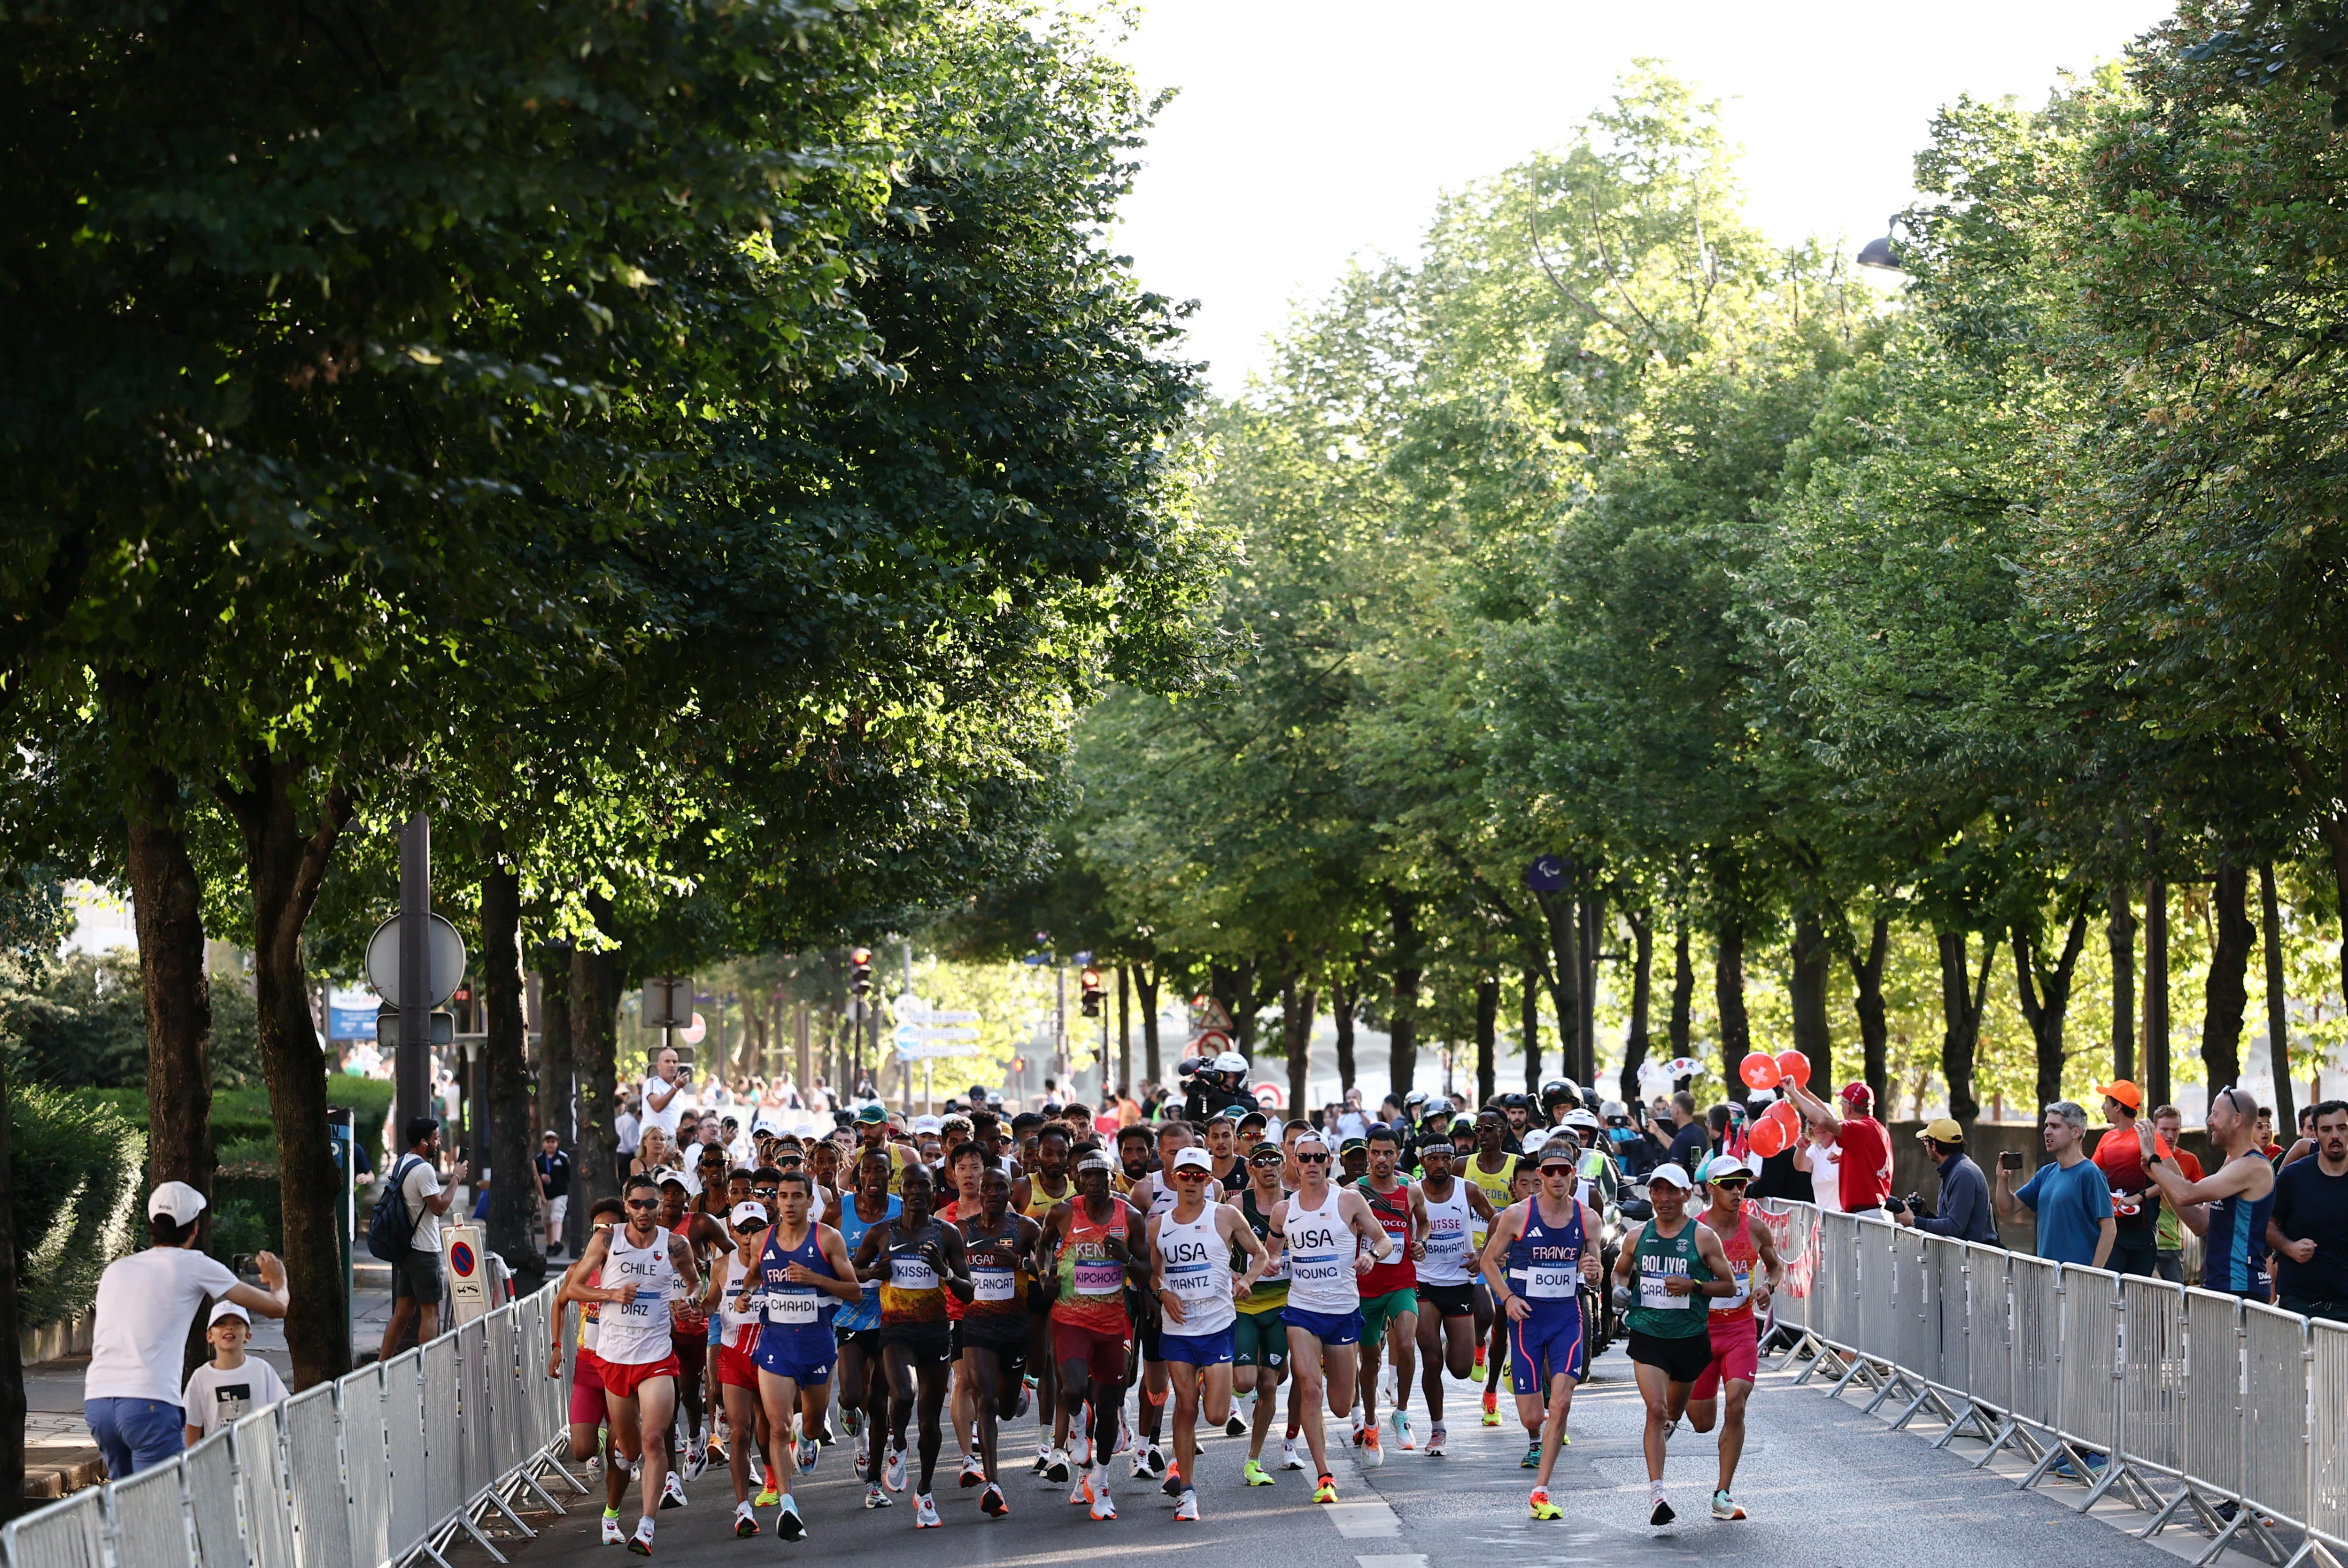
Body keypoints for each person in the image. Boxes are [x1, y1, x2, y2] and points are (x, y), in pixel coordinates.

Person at [83, 1182, 287, 1479]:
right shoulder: (194, 1264)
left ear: (152, 1224)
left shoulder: (117, 1269)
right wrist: (277, 1280)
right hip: (149, 1402)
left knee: (125, 1507)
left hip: (99, 1401)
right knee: (163, 1506)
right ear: (195, 1229)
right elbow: (276, 1307)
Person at [575, 1174, 702, 1556]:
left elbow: (695, 1282)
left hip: (656, 1358)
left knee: (653, 1439)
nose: (644, 1211)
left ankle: (646, 1526)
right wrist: (611, 1293)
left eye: (651, 1204)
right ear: (626, 1204)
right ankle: (622, 1456)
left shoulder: (675, 1244)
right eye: (637, 1204)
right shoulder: (607, 1240)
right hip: (613, 1358)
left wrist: (689, 1301)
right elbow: (574, 1288)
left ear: (660, 1206)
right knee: (628, 1448)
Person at [1271, 1130, 1396, 1506]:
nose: (1311, 1163)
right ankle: (1324, 1474)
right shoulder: (1284, 1210)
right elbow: (1270, 1254)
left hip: (1342, 1311)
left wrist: (1372, 1255)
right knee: (1309, 1386)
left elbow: (1384, 1240)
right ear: (1294, 1161)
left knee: (1341, 1405)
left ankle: (1347, 1385)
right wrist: (1268, 1265)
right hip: (1302, 1310)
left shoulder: (1349, 1200)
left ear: (1330, 1160)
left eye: (1318, 1157)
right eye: (1304, 1157)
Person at [1480, 1142, 1602, 1521]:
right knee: (1533, 1417)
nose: (1556, 1177)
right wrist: (1507, 1298)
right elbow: (1488, 1260)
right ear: (1541, 1175)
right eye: (1549, 1171)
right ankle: (1534, 1423)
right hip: (1527, 1319)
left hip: (1567, 1316)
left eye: (1563, 1170)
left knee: (1562, 1400)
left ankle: (1541, 1489)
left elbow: (1594, 1272)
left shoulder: (1588, 1219)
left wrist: (1593, 1270)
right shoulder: (1517, 1215)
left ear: (1573, 1173)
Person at [734, 1173, 860, 1541]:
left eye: (796, 1196)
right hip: (776, 1345)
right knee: (777, 1425)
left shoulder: (826, 1238)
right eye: (782, 1196)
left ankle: (808, 1440)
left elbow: (853, 1291)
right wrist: (745, 1294)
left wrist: (814, 1278)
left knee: (811, 1424)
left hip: (818, 1345)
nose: (788, 1203)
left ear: (809, 1201)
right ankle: (789, 1505)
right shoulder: (762, 1239)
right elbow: (754, 1277)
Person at [1610, 1162, 1738, 1527]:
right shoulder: (1637, 1236)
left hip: (1689, 1339)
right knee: (1655, 1410)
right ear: (1650, 1194)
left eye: (1671, 1191)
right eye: (1657, 1191)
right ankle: (1657, 1494)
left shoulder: (1703, 1237)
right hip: (1648, 1335)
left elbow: (1729, 1285)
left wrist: (1694, 1286)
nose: (1663, 1198)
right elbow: (1620, 1269)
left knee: (1673, 1416)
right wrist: (1620, 1288)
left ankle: (1667, 1430)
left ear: (1686, 1195)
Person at [1148, 1145, 1270, 1520]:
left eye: (1198, 1175)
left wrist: (1247, 1279)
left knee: (1216, 1415)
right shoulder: (1160, 1224)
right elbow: (1154, 1273)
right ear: (1173, 1178)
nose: (1191, 1181)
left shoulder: (1226, 1215)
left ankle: (1209, 1382)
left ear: (1209, 1180)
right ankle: (1187, 1490)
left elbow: (1261, 1253)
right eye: (1184, 1174)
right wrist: (1162, 1292)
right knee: (1186, 1407)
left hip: (1217, 1326)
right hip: (1178, 1330)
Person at [1038, 1151, 1147, 1520]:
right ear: (1078, 1179)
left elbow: (1147, 1271)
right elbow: (1042, 1246)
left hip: (1113, 1322)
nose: (1096, 1180)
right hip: (1070, 1317)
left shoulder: (1129, 1216)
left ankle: (1100, 1480)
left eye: (1102, 1173)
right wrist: (1045, 1273)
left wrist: (1127, 1260)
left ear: (1112, 1177)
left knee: (1108, 1403)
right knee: (1071, 1387)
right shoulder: (1064, 1212)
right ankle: (1074, 1425)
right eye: (1088, 1175)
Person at [1683, 1153, 1783, 1522]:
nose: (1738, 1190)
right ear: (1712, 1189)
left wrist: (1769, 1287)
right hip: (1701, 1331)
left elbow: (1775, 1265)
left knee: (1737, 1402)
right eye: (1729, 1184)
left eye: (1742, 1183)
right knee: (1702, 1422)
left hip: (1741, 1328)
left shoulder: (1756, 1228)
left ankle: (1723, 1493)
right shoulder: (1693, 1230)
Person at [956, 1163, 1043, 1519]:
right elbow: (951, 1271)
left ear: (1011, 1193)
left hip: (1016, 1329)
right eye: (986, 1187)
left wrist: (1023, 1261)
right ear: (980, 1192)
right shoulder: (963, 1230)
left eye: (1000, 1188)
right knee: (986, 1400)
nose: (992, 1193)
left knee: (1006, 1407)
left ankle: (1020, 1389)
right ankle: (994, 1484)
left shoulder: (1025, 1227)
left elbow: (1049, 1269)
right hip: (976, 1326)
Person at [2139, 1086, 2276, 1299]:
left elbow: (2187, 1194)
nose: (2209, 1121)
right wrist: (2159, 1174)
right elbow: (2200, 1223)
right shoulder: (2233, 1161)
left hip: (2241, 1287)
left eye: (2216, 1114)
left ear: (2237, 1120)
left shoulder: (2252, 1166)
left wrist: (2154, 1159)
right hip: (2221, 1284)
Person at [1410, 1135, 1495, 1457]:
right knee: (1431, 1359)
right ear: (1423, 1162)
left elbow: (1497, 1222)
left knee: (1459, 1368)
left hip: (1460, 1281)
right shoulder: (1413, 1191)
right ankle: (1438, 1428)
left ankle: (1459, 1344)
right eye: (1434, 1159)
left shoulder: (1468, 1190)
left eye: (1447, 1157)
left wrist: (1483, 1253)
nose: (1441, 1164)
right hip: (1424, 1283)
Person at [1350, 1124, 1426, 1460]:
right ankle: (1370, 1425)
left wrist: (1420, 1241)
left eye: (1389, 1153)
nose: (1382, 1159)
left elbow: (1422, 1222)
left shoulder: (1411, 1190)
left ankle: (1402, 1412)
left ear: (1398, 1154)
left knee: (1407, 1343)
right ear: (1368, 1153)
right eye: (1376, 1152)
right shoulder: (1353, 1191)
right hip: (1365, 1288)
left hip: (1401, 1281)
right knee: (1370, 1360)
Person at [1228, 1138, 1299, 1482]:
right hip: (1245, 1304)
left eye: (1275, 1160)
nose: (1269, 1166)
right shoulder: (1239, 1203)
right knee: (1244, 1382)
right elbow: (1218, 1249)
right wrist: (1236, 1274)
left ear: (1284, 1166)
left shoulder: (1297, 1204)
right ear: (1250, 1169)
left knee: (1269, 1382)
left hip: (1284, 1305)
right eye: (1261, 1161)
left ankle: (1254, 1460)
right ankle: (1216, 1374)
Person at [380, 1117, 468, 1361]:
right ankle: (427, 1367)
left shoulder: (402, 1164)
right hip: (424, 1249)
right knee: (431, 1311)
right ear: (423, 1142)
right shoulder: (424, 1170)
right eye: (435, 1138)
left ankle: (382, 1365)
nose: (439, 1143)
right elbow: (439, 1207)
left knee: (403, 1311)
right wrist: (456, 1178)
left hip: (406, 1249)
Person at [1997, 1102, 2115, 1267]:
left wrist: (2094, 1274)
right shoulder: (2046, 1173)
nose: (2047, 1132)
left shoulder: (2090, 1173)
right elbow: (2008, 1208)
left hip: (2078, 1278)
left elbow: (2110, 1228)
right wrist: (2002, 1179)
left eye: (2055, 1126)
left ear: (2076, 1132)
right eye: (2046, 1126)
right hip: (2048, 1276)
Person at [2267, 1101, 2348, 1321]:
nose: (2335, 1136)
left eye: (2342, 1128)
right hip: (2301, 1303)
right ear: (2316, 1135)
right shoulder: (2293, 1177)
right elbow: (2266, 1223)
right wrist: (2289, 1247)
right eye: (2326, 1129)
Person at [179, 1298, 290, 1445]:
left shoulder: (262, 1370)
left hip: (258, 1457)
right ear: (210, 1336)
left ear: (248, 1336)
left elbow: (285, 1409)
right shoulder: (201, 1377)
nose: (229, 1328)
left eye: (237, 1324)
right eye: (221, 1324)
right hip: (219, 1459)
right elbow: (192, 1424)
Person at [1784, 1079, 1892, 1212]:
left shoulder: (1859, 1129)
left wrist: (1793, 1093)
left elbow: (1825, 1120)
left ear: (1848, 1107)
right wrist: (1805, 1093)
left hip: (1865, 1215)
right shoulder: (1876, 1128)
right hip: (1873, 1212)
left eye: (1842, 1104)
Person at [2091, 1081, 2161, 1275]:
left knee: (2138, 1295)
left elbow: (2173, 1178)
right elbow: (2090, 1175)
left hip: (2142, 1233)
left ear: (2118, 1106)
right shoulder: (2107, 1139)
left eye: (2107, 1102)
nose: (2103, 1107)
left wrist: (2139, 1196)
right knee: (2113, 1290)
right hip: (2112, 1231)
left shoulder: (2147, 1136)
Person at [1895, 1119, 1999, 1245]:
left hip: (1976, 1260)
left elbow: (1954, 1227)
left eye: (1925, 1142)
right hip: (1968, 1258)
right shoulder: (1956, 1170)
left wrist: (1914, 1221)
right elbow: (1950, 1222)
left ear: (1934, 1145)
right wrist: (1925, 1215)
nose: (1925, 1146)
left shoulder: (1963, 1174)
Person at [2149, 1105, 2205, 1282]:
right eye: (2164, 1130)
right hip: (2146, 1242)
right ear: (2154, 1129)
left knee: (2175, 1298)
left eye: (2175, 1130)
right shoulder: (2140, 1157)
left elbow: (2201, 1197)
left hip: (2174, 1243)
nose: (2170, 1135)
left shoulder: (2190, 1160)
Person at [1794, 1115, 1844, 1215]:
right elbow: (1800, 1167)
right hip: (1823, 1216)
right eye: (1813, 1124)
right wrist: (1801, 1148)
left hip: (1844, 1215)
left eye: (1824, 1124)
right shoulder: (1814, 1150)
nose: (1819, 1128)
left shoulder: (1843, 1146)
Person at [641, 1045, 688, 1142]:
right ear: (659, 1065)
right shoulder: (653, 1083)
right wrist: (676, 1088)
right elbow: (657, 1107)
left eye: (675, 1062)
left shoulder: (679, 1090)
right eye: (667, 1061)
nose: (672, 1065)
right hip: (653, 1140)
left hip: (671, 1139)